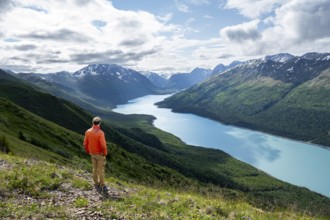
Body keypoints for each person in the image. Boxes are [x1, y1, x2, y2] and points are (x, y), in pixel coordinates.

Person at [83, 116, 108, 193]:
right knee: (101, 170)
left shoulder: (88, 131)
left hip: (92, 153)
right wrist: (105, 153)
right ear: (99, 123)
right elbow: (103, 145)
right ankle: (103, 186)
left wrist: (87, 151)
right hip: (99, 154)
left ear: (92, 122)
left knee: (94, 169)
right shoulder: (100, 133)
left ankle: (96, 184)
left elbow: (85, 143)